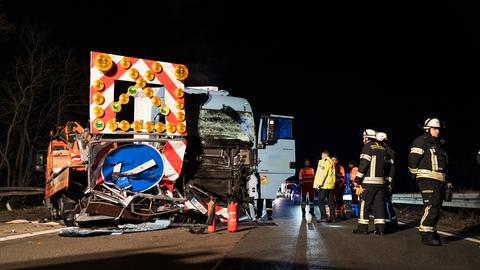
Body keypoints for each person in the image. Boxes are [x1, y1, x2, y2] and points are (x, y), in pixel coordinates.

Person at [409, 117, 451, 246]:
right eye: (435, 129)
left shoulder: (438, 145)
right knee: (431, 206)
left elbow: (444, 164)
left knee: (436, 207)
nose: (438, 131)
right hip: (427, 179)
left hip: (439, 180)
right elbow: (413, 160)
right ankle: (426, 235)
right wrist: (415, 174)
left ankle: (432, 232)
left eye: (438, 129)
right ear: (427, 129)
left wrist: (447, 181)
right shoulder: (421, 141)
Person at [352, 129, 388, 235]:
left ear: (367, 137)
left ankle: (362, 228)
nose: (363, 139)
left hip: (368, 183)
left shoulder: (367, 147)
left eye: (363, 137)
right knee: (379, 206)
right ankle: (380, 229)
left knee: (364, 205)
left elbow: (363, 164)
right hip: (380, 183)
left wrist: (357, 180)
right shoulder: (382, 148)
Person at [376, 132, 398, 232]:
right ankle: (393, 222)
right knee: (387, 202)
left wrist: (388, 180)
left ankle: (389, 224)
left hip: (387, 181)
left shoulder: (387, 152)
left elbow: (391, 168)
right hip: (387, 180)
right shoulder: (388, 151)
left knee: (386, 203)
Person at [314, 150, 336, 223]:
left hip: (324, 185)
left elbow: (323, 174)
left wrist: (319, 184)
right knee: (331, 202)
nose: (321, 157)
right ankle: (333, 218)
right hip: (330, 185)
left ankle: (323, 217)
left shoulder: (325, 161)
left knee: (320, 200)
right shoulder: (331, 162)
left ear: (324, 155)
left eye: (321, 155)